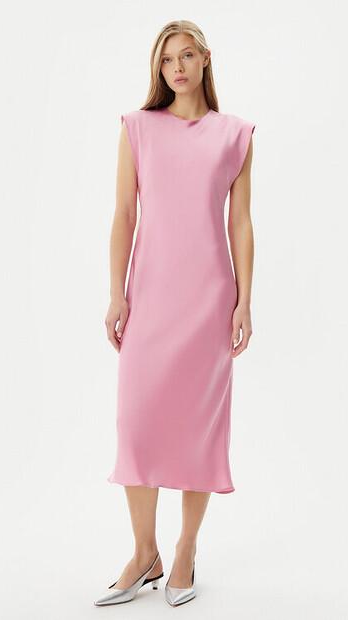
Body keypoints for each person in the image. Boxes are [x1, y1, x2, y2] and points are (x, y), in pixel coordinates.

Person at [96, 19, 255, 607]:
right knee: (136, 425)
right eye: (167, 60)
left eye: (186, 56)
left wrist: (244, 299)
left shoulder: (234, 135)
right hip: (150, 298)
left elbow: (241, 222)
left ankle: (185, 548)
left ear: (205, 59)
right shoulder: (137, 128)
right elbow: (123, 215)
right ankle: (145, 552)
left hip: (208, 302)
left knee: (197, 431)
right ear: (158, 68)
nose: (177, 68)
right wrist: (117, 294)